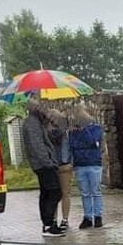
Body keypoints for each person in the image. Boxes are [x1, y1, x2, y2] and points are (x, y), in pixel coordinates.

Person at [22, 98, 65, 236]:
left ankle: (48, 224)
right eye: (39, 107)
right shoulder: (32, 123)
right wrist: (48, 162)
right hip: (43, 165)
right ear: (34, 109)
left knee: (46, 193)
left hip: (42, 164)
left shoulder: (36, 122)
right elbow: (37, 146)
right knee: (55, 192)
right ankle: (48, 224)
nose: (42, 109)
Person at [68, 104, 105, 229]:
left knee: (96, 191)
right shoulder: (73, 131)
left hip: (94, 163)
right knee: (85, 193)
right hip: (80, 165)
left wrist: (84, 128)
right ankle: (87, 217)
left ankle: (98, 216)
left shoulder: (96, 128)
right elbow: (73, 144)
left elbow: (92, 141)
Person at [47, 109, 73, 229]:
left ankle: (65, 219)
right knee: (54, 194)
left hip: (65, 165)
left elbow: (72, 147)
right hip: (52, 166)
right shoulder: (46, 132)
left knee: (65, 193)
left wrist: (72, 162)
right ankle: (53, 219)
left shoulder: (66, 132)